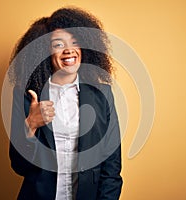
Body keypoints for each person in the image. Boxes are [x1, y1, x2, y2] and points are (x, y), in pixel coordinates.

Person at [8, 6, 123, 200]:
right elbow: (19, 166)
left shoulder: (102, 94)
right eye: (58, 45)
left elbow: (111, 167)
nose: (69, 50)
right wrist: (30, 126)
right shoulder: (26, 95)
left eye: (75, 42)